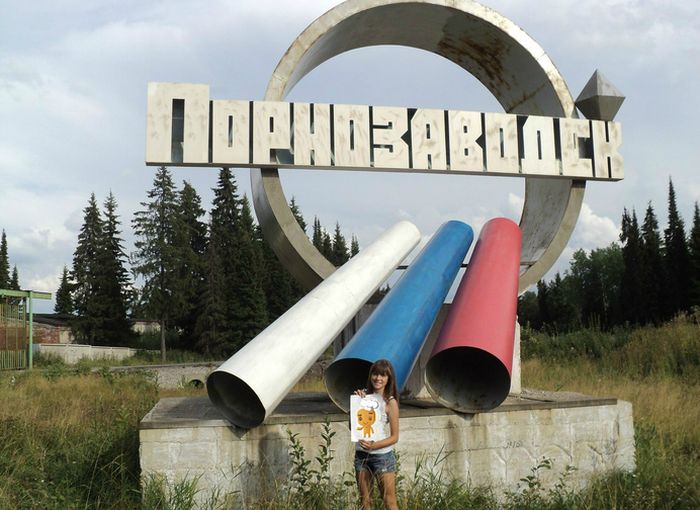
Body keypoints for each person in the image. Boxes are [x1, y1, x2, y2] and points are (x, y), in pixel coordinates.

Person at [354, 359, 400, 510]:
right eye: (375, 374)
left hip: (382, 457)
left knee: (389, 502)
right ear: (370, 375)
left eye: (383, 375)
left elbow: (395, 437)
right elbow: (352, 427)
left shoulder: (390, 402)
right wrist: (355, 405)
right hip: (361, 456)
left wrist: (374, 445)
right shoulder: (362, 397)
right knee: (365, 503)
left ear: (388, 379)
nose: (378, 378)